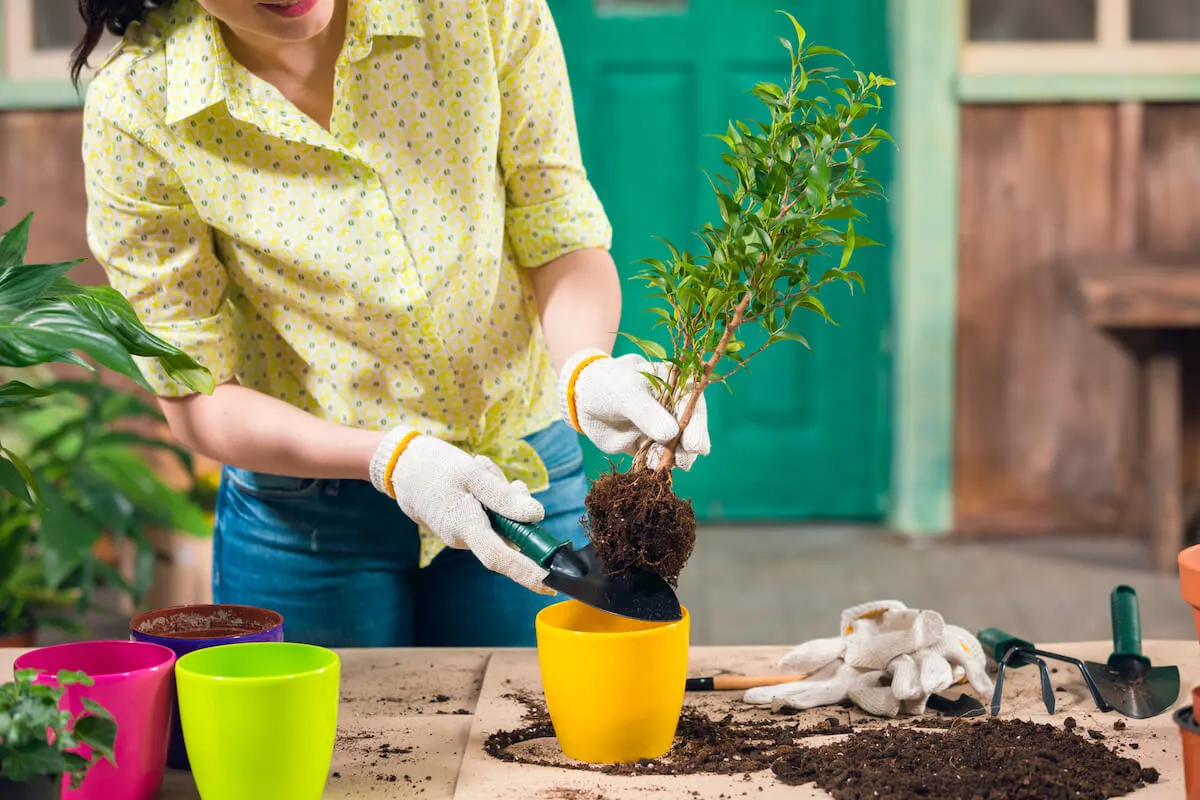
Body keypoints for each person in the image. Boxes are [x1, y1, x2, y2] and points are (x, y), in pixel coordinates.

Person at [72, 0, 711, 648]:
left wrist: (584, 367)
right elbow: (196, 393)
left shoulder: (480, 10)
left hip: (522, 481)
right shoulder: (140, 108)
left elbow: (558, 232)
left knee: (545, 739)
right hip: (307, 524)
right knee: (330, 749)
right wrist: (390, 459)